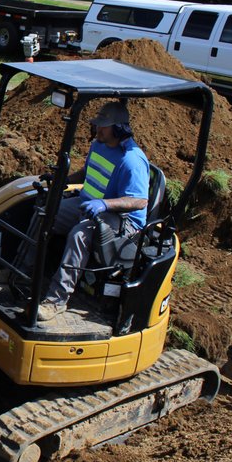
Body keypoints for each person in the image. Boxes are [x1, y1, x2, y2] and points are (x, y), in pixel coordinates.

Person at [37, 101, 149, 322]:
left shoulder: (132, 161)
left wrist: (104, 204)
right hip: (89, 206)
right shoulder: (98, 145)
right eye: (98, 124)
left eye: (104, 126)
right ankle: (26, 270)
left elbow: (140, 201)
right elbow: (88, 173)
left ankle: (56, 302)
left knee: (79, 236)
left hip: (122, 221)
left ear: (119, 129)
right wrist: (62, 181)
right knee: (45, 211)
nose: (98, 129)